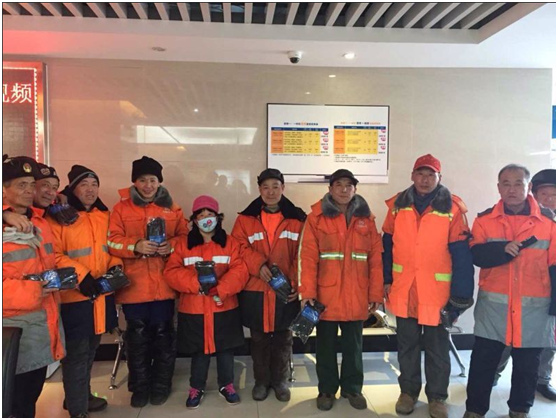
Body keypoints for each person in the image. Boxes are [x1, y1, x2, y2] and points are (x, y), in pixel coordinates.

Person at [382, 154, 474, 418]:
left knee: (437, 348)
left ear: (439, 178)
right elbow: (386, 245)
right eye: (420, 174)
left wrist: (461, 295)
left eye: (430, 175)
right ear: (412, 176)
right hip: (404, 289)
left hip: (437, 293)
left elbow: (462, 255)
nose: (425, 179)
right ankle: (408, 393)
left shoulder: (453, 208)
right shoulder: (397, 205)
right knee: (407, 346)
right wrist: (386, 279)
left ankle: (437, 397)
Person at [464, 164, 556, 418]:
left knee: (527, 364)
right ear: (498, 187)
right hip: (494, 308)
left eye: (518, 183)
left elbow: (555, 266)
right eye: (506, 183)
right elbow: (476, 254)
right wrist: (501, 249)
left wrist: (555, 307)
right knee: (483, 362)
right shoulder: (484, 220)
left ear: (529, 187)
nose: (512, 189)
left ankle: (519, 410)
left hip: (534, 309)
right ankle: (474, 410)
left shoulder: (548, 223)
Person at [298, 169, 383, 411]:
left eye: (349, 185)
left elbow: (375, 260)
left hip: (357, 294)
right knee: (324, 347)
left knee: (353, 347)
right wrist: (307, 293)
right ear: (330, 189)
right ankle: (326, 389)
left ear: (355, 189)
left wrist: (375, 294)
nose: (344, 190)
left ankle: (352, 388)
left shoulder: (367, 219)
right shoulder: (316, 218)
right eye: (339, 185)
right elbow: (307, 257)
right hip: (325, 296)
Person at [107, 156, 188, 407]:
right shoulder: (121, 209)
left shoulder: (172, 208)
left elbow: (185, 238)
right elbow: (111, 242)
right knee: (137, 339)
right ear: (135, 182)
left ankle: (161, 385)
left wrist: (170, 246)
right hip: (134, 286)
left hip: (165, 285)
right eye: (142, 180)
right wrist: (135, 246)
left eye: (152, 180)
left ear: (159, 181)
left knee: (164, 337)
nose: (148, 185)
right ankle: (140, 387)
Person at [48, 165, 122, 417]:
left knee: (91, 350)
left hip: (102, 294)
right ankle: (78, 409)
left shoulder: (104, 215)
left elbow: (112, 248)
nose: (90, 190)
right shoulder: (59, 216)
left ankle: (79, 397)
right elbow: (53, 254)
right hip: (75, 297)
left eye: (94, 184)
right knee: (77, 354)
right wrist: (82, 275)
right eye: (84, 185)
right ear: (72, 188)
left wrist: (115, 267)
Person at [164, 195, 249, 409]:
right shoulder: (183, 244)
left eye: (209, 214)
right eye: (201, 215)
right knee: (198, 351)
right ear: (194, 220)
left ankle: (227, 385)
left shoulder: (230, 242)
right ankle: (196, 387)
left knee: (226, 349)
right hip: (194, 308)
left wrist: (221, 288)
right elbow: (171, 271)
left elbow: (240, 270)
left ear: (218, 217)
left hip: (224, 305)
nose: (205, 219)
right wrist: (197, 284)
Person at [231, 168, 306, 402]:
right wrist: (258, 265)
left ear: (283, 188)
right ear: (259, 190)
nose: (271, 192)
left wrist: (293, 281)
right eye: (266, 187)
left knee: (284, 337)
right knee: (259, 338)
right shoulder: (245, 219)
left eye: (275, 186)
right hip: (256, 288)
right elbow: (238, 247)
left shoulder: (298, 218)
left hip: (286, 290)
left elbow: (304, 253)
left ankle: (280, 381)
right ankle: (261, 381)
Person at [2, 155, 66, 417]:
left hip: (41, 326)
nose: (29, 191)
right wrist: (34, 290)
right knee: (11, 402)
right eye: (21, 185)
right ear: (4, 189)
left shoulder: (39, 223)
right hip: (10, 331)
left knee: (29, 397)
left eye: (31, 184)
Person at [493, 168, 556, 401]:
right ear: (534, 194)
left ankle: (542, 380)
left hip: (549, 292)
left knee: (548, 340)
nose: (549, 199)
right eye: (544, 194)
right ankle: (494, 373)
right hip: (521, 293)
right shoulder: (529, 220)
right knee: (507, 339)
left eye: (554, 195)